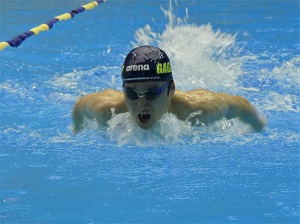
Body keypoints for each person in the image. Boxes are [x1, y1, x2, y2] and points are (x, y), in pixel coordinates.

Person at [72, 45, 265, 133]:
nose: (141, 103)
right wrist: (77, 131)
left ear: (171, 89)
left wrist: (259, 129)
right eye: (131, 94)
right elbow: (80, 106)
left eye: (152, 93)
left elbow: (241, 105)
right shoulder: (108, 109)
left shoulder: (198, 109)